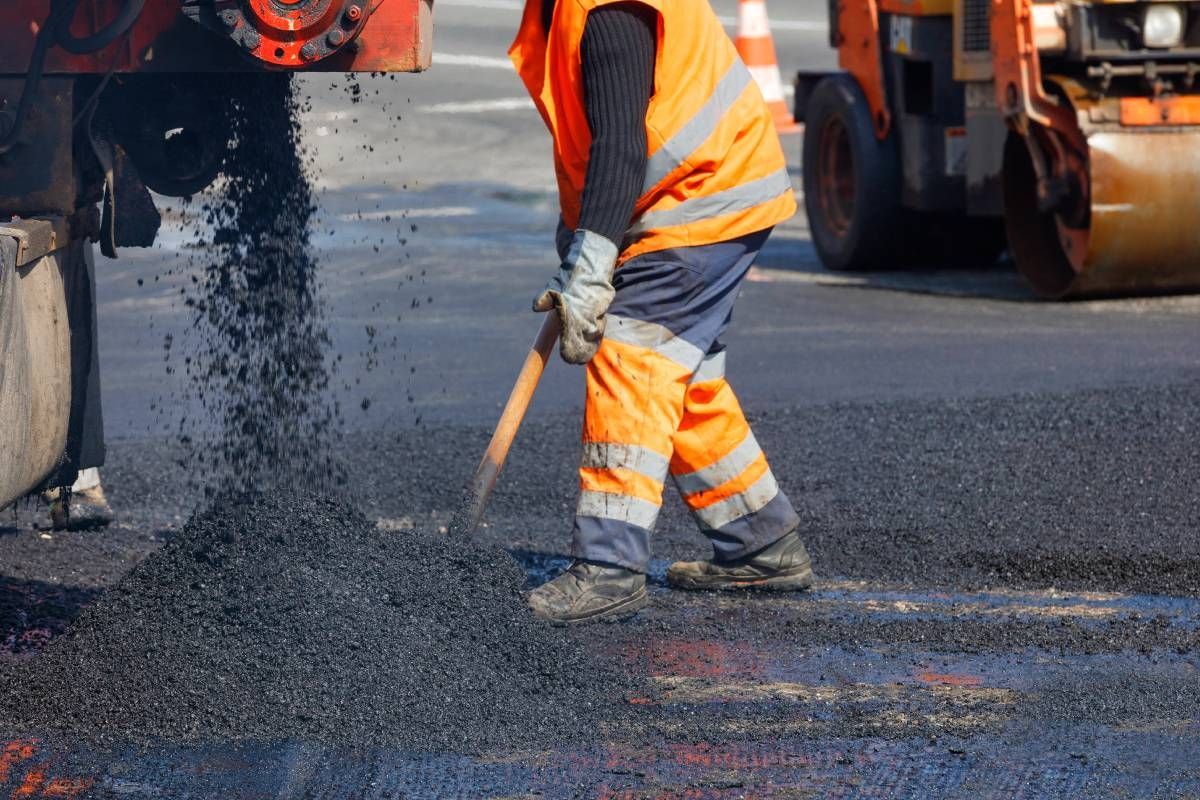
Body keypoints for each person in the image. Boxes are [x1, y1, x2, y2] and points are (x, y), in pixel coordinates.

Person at [512, 0, 814, 624]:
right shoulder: (565, 9)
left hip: (702, 198)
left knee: (629, 352)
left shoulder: (608, 11)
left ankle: (609, 566)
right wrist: (582, 234)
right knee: (684, 372)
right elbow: (601, 138)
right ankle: (760, 539)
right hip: (699, 187)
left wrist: (593, 260)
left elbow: (621, 144)